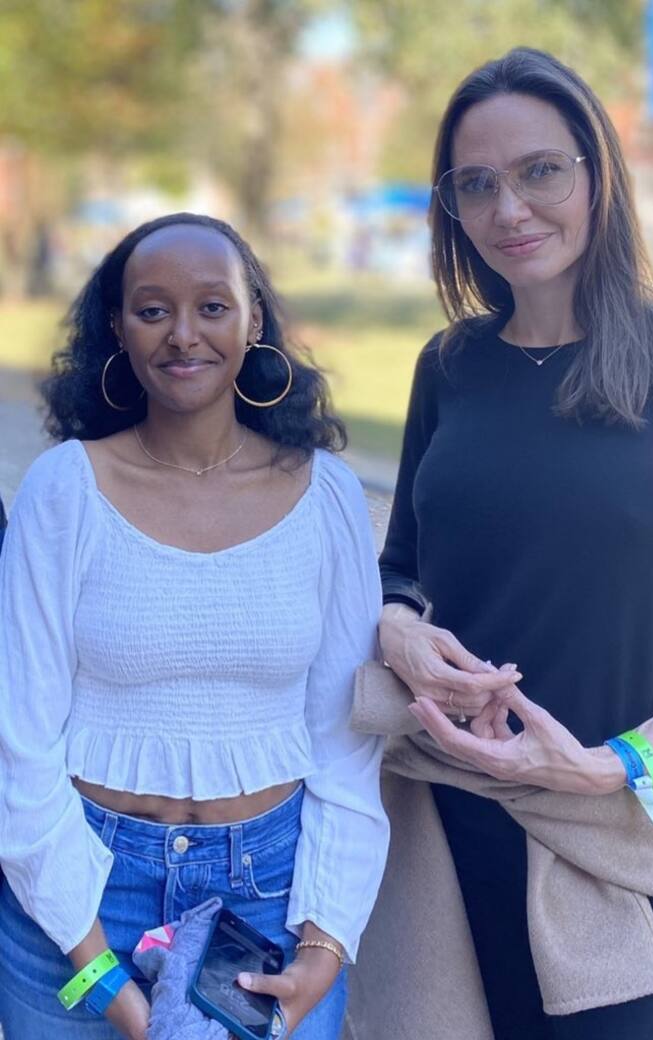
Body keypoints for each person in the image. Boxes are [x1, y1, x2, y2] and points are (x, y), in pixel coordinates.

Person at [377, 48, 653, 1039]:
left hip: (621, 837)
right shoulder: (449, 366)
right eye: (475, 184)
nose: (509, 210)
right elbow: (400, 567)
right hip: (445, 835)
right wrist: (396, 627)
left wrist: (621, 762)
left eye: (539, 171)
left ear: (598, 172)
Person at [0, 212, 389, 1040]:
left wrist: (325, 938)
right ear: (118, 327)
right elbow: (19, 741)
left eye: (213, 307)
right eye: (153, 310)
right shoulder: (62, 492)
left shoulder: (325, 495)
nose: (183, 334)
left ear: (254, 321)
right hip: (81, 895)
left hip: (271, 902)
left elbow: (345, 742)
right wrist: (96, 964)